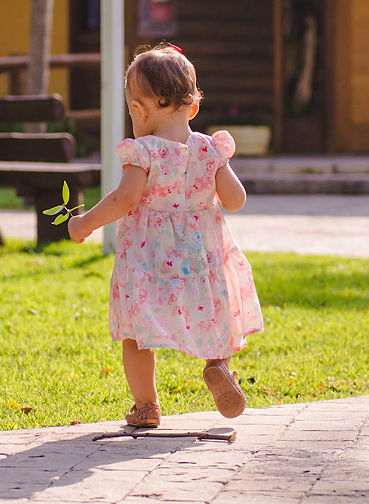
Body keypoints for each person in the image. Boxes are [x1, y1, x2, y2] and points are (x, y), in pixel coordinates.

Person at [67, 44, 264, 426]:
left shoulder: (144, 152)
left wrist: (85, 222)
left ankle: (146, 405)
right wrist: (218, 172)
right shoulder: (210, 149)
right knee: (214, 317)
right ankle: (218, 365)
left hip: (150, 259)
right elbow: (236, 200)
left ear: (138, 111)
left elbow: (126, 198)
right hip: (203, 256)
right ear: (193, 108)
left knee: (136, 331)